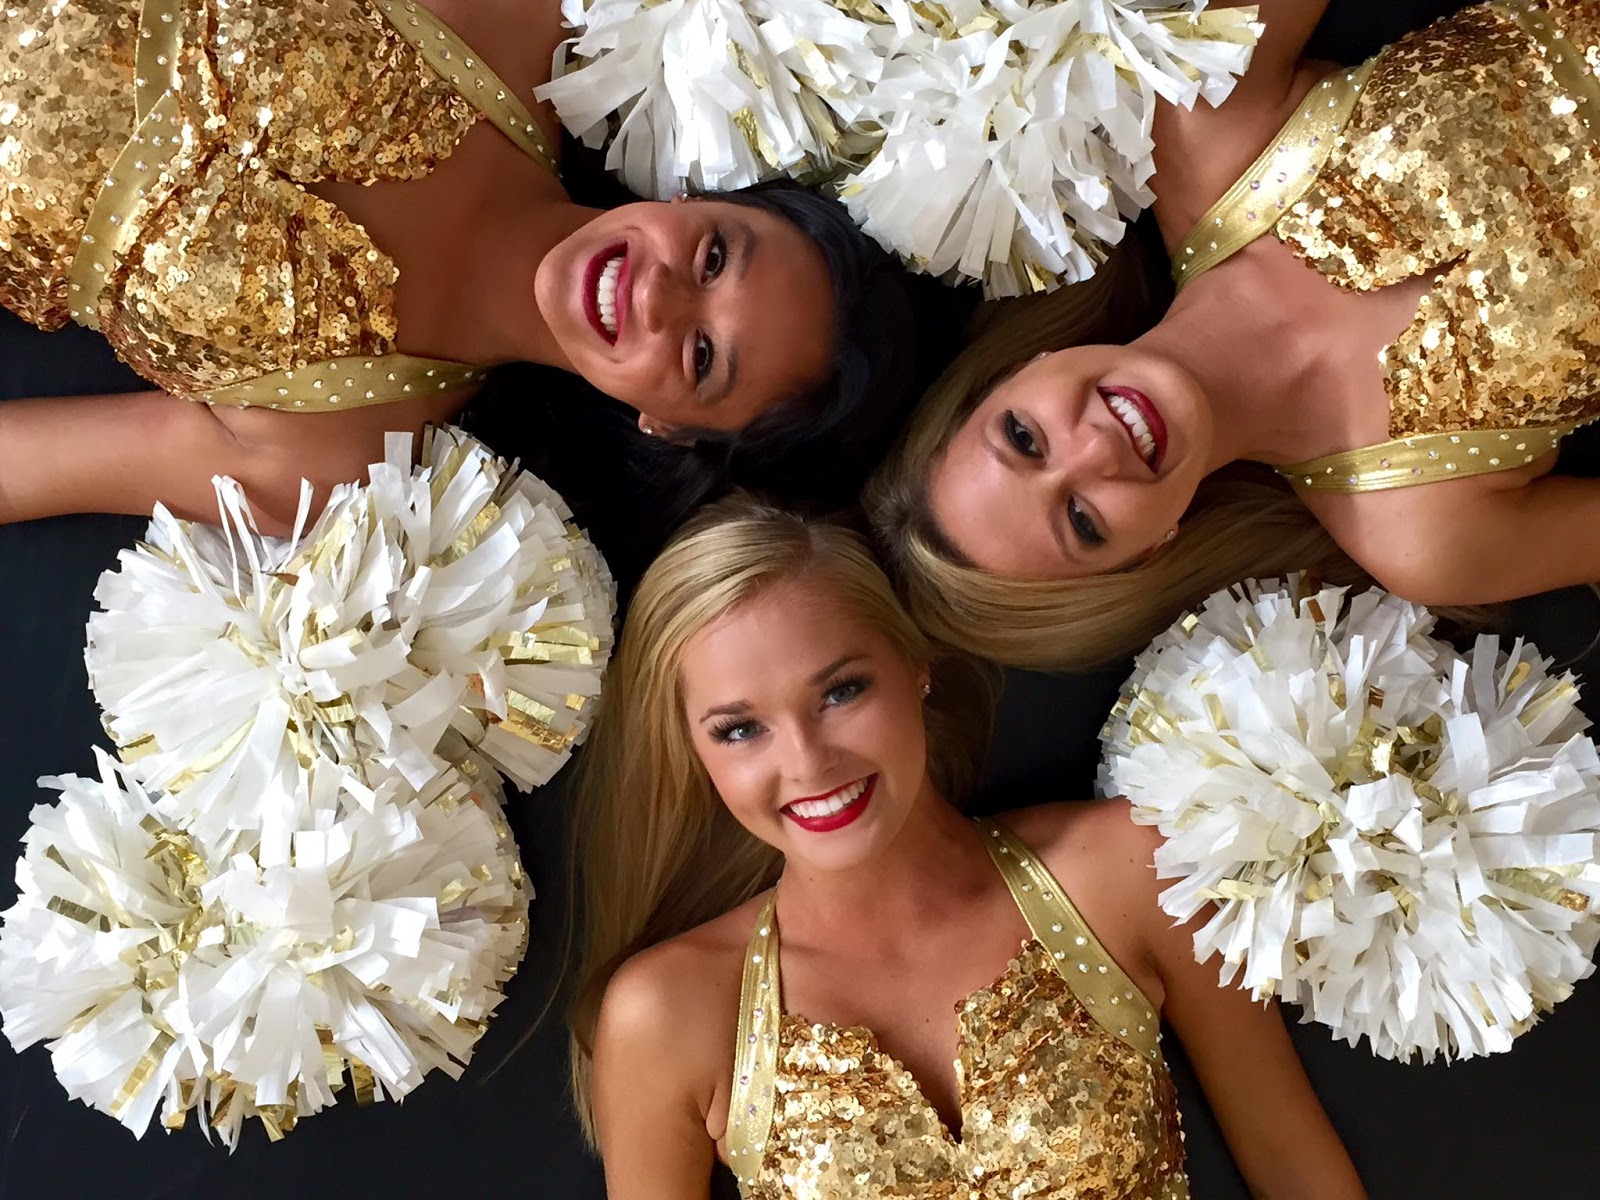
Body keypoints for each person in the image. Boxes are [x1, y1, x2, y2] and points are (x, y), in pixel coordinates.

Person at [568, 496, 1364, 1199]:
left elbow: (1297, 1173)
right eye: (741, 730)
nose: (808, 763)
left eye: (841, 691)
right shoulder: (668, 1015)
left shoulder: (1127, 870)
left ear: (916, 667)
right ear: (693, 751)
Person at [870, 0, 1600, 672]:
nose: (1094, 449)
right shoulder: (1424, 537)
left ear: (1021, 367)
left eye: (1023, 438)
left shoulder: (1197, 121)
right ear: (1150, 550)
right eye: (1084, 522)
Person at [0, 0, 917, 531]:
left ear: (667, 427)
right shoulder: (514, 24)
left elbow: (21, 465)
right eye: (715, 256)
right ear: (693, 197)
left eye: (702, 356)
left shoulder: (335, 453)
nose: (662, 296)